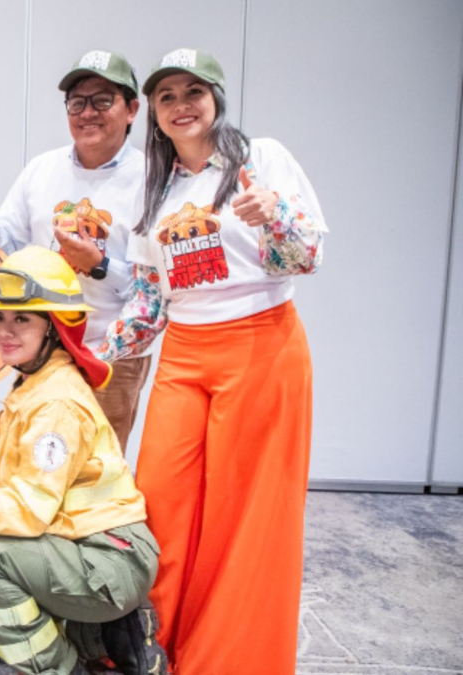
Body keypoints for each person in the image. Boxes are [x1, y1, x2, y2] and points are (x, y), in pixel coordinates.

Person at [99, 48, 326, 674]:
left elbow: (306, 256)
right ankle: (147, 641)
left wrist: (269, 216)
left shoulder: (263, 160)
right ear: (155, 112)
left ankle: (230, 658)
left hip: (261, 344)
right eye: (167, 96)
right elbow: (149, 302)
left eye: (193, 91)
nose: (181, 105)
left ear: (217, 99)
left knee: (245, 511)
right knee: (160, 499)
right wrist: (89, 358)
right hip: (185, 354)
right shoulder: (158, 188)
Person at [0, 247, 166, 675]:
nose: (4, 331)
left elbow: (29, 509)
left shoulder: (55, 402)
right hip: (88, 549)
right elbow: (3, 485)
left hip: (109, 560)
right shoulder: (33, 384)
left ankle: (59, 667)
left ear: (55, 326)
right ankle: (98, 638)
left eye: (22, 319)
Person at [0, 50, 151, 452]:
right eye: (77, 102)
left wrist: (99, 266)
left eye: (103, 100)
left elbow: (155, 289)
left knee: (97, 459)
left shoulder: (151, 178)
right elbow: (13, 247)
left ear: (132, 109)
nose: (88, 113)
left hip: (112, 350)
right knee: (38, 451)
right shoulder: (42, 169)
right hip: (45, 344)